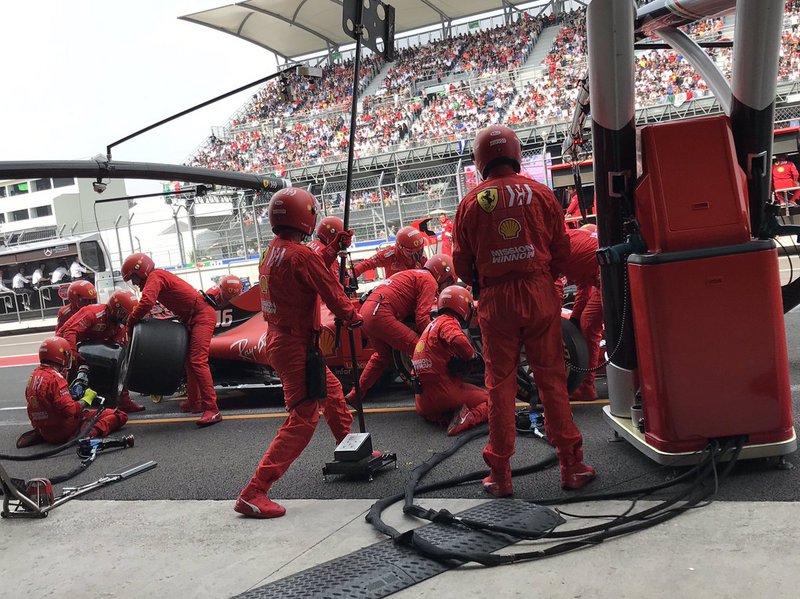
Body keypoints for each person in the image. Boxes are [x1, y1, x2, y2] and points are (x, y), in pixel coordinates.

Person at [453, 125, 595, 495]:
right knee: (552, 380)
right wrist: (543, 277)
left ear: (480, 159)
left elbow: (462, 265)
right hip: (538, 293)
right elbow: (562, 251)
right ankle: (572, 466)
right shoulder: (541, 193)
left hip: (496, 300)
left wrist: (486, 280)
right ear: (515, 153)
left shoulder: (470, 203)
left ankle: (500, 475)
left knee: (499, 386)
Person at [235, 187, 364, 519]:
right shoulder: (300, 255)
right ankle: (254, 491)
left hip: (283, 339)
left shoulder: (272, 251)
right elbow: (329, 289)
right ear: (306, 217)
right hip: (296, 345)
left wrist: (332, 250)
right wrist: (352, 316)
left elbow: (305, 270)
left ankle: (351, 450)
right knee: (304, 418)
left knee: (333, 394)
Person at [122, 253, 222, 426]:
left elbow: (146, 302)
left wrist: (130, 321)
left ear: (141, 271)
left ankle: (213, 409)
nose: (135, 283)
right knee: (190, 362)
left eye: (134, 278)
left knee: (197, 361)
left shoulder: (155, 276)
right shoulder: (157, 276)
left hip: (201, 316)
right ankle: (195, 402)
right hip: (195, 316)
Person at [346, 254, 455, 405]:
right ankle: (437, 391)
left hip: (367, 312)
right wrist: (440, 340)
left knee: (382, 356)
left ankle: (355, 394)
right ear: (442, 274)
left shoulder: (414, 274)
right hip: (380, 313)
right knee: (422, 349)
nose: (446, 286)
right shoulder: (429, 281)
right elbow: (422, 319)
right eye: (449, 281)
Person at [18, 336, 127, 448]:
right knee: (120, 415)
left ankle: (43, 434)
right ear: (61, 355)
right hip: (64, 430)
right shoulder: (56, 379)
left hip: (45, 432)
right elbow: (70, 410)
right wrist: (86, 399)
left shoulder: (33, 376)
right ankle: (89, 433)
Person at [412, 285, 489, 436]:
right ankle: (468, 418)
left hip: (423, 402)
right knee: (493, 401)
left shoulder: (431, 326)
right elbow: (458, 340)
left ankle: (445, 417)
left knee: (465, 390)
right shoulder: (448, 321)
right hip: (445, 393)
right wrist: (471, 357)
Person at [60, 289, 146, 413]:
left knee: (119, 365)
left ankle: (123, 402)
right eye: (125, 314)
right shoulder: (93, 313)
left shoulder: (119, 326)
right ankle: (62, 404)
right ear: (116, 308)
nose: (127, 318)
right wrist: (73, 355)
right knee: (66, 373)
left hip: (86, 347)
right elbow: (70, 332)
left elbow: (120, 355)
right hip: (66, 342)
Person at [561, 225, 603, 402]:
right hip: (610, 270)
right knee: (586, 321)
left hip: (609, 274)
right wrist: (575, 319)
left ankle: (586, 387)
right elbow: (583, 285)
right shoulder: (574, 236)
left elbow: (554, 290)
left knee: (589, 325)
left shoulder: (555, 249)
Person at [352, 226, 427, 279]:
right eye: (410, 252)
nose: (415, 255)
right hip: (395, 292)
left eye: (419, 251)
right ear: (400, 248)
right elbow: (367, 264)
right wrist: (352, 275)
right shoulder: (389, 255)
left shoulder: (422, 257)